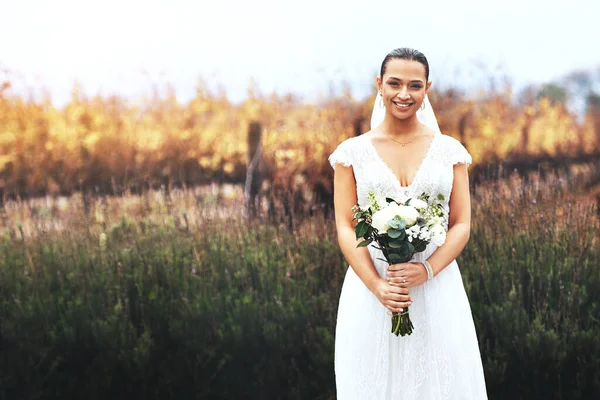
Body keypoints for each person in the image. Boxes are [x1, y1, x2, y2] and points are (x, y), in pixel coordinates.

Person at [328, 48, 488, 399]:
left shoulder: (449, 151)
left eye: (415, 85)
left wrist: (427, 269)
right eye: (394, 83)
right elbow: (343, 224)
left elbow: (461, 223)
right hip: (372, 289)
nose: (404, 94)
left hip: (437, 290)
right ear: (379, 85)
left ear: (427, 88)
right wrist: (376, 285)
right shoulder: (351, 153)